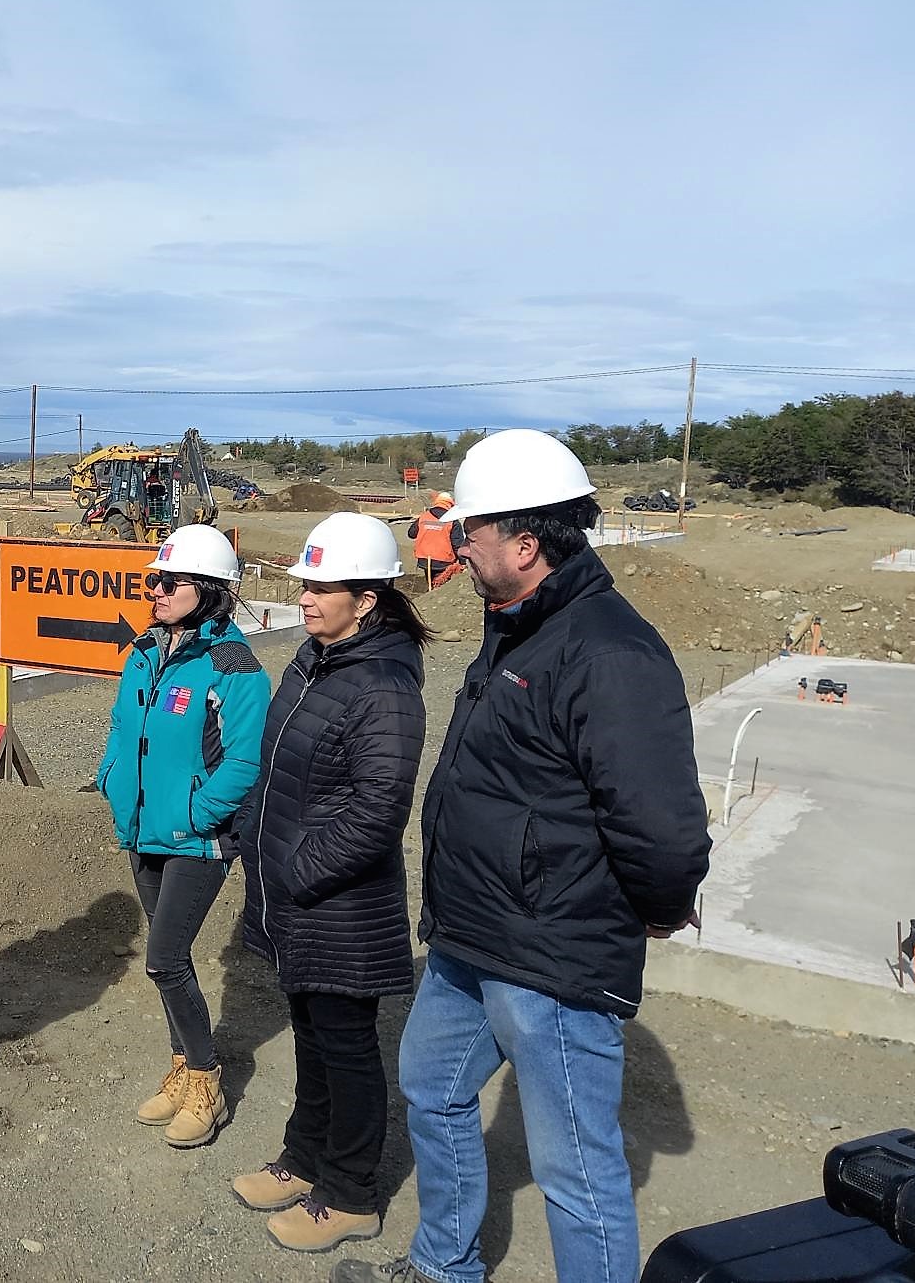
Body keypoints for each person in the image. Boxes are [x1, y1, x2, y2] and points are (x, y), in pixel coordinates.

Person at [333, 430, 712, 1283]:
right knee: (431, 1086)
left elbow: (664, 828)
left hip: (553, 959)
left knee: (578, 1176)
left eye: (470, 534)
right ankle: (445, 1268)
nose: (457, 549)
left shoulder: (609, 651)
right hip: (474, 939)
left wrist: (654, 906)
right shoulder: (519, 625)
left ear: (525, 543)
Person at [233, 513, 430, 1254]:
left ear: (368, 598)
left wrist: (295, 871)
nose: (307, 599)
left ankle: (350, 1194)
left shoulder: (381, 685)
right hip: (296, 899)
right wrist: (257, 843)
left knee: (347, 1050)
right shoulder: (315, 659)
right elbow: (278, 766)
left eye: (323, 588)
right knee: (312, 1041)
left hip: (339, 906)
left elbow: (380, 811)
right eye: (306, 586)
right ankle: (303, 1160)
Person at [95, 524, 270, 1149]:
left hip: (195, 839)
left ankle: (205, 1078)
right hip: (143, 828)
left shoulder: (234, 668)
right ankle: (180, 1065)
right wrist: (111, 779)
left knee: (165, 960)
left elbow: (245, 761)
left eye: (170, 582)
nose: (157, 591)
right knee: (173, 962)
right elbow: (123, 728)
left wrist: (200, 814)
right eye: (153, 580)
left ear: (211, 590)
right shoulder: (145, 650)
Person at [405, 493, 459, 588]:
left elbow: (411, 534)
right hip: (444, 561)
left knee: (430, 582)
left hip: (425, 559)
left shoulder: (424, 516)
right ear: (450, 504)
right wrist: (462, 563)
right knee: (441, 586)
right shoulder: (452, 520)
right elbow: (457, 543)